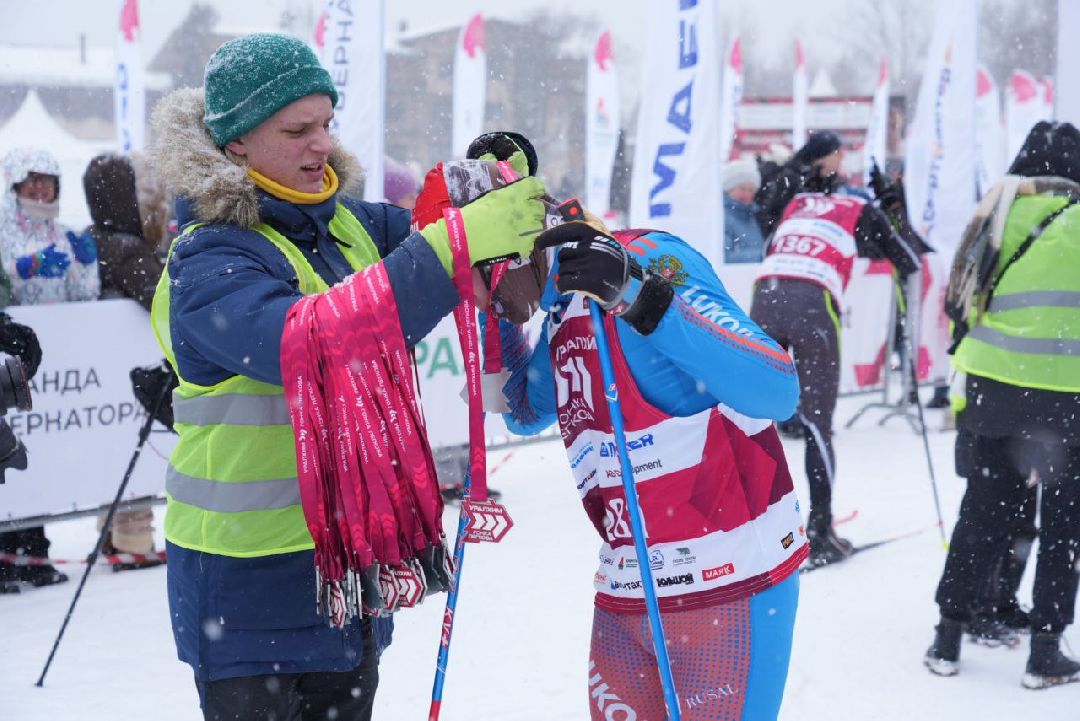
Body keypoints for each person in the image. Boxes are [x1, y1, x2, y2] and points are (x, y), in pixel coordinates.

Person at [147, 33, 547, 721]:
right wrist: (450, 247)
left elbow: (434, 234)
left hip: (349, 574)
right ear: (236, 142)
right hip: (245, 590)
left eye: (326, 123)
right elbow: (313, 341)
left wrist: (486, 192)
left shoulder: (348, 226)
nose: (321, 145)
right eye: (296, 130)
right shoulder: (207, 259)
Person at [445, 133, 807, 721]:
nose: (477, 297)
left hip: (731, 580)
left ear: (509, 252)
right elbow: (522, 409)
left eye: (476, 278)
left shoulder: (648, 257)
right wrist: (496, 317)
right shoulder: (560, 304)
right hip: (627, 587)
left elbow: (775, 389)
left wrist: (639, 297)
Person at [924, 121, 1080, 689]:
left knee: (984, 512)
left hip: (993, 388)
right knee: (1065, 525)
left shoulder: (995, 210)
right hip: (1069, 394)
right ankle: (1045, 651)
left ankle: (948, 635)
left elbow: (959, 302)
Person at [749, 150, 921, 566]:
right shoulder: (859, 208)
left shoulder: (795, 204)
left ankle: (751, 529)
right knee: (816, 424)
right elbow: (909, 260)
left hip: (766, 296)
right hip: (812, 302)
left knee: (751, 419)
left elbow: (766, 235)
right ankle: (820, 531)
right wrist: (893, 207)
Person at [0, 146, 102, 591]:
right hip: (11, 357)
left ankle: (34, 554)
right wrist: (20, 269)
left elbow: (84, 296)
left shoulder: (63, 234)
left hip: (53, 361)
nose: (41, 189)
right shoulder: (3, 232)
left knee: (38, 460)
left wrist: (86, 264)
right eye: (33, 180)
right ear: (14, 184)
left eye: (49, 180)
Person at [82, 152, 170, 571]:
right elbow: (159, 300)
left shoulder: (93, 239)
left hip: (103, 369)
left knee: (112, 450)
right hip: (135, 371)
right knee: (134, 450)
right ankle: (134, 538)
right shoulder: (128, 249)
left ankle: (110, 531)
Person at [754, 130, 843, 239]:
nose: (841, 158)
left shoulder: (830, 182)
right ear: (822, 157)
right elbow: (772, 219)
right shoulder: (791, 180)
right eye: (837, 153)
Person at [722, 157, 766, 263]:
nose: (747, 193)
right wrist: (762, 256)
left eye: (751, 190)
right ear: (729, 189)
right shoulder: (722, 218)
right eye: (742, 188)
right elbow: (723, 257)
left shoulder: (754, 216)